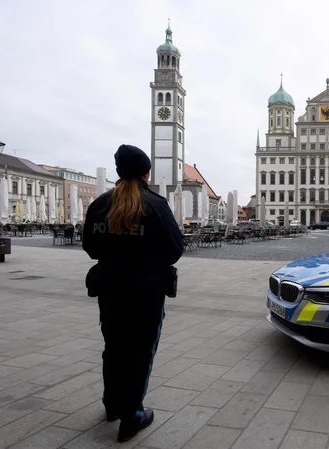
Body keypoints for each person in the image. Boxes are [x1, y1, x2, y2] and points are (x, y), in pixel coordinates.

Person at [82, 144, 184, 442]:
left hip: (110, 289)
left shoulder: (100, 204)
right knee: (140, 352)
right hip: (146, 290)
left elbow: (91, 248)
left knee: (113, 348)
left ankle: (112, 405)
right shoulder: (155, 204)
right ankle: (132, 415)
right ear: (146, 172)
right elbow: (175, 249)